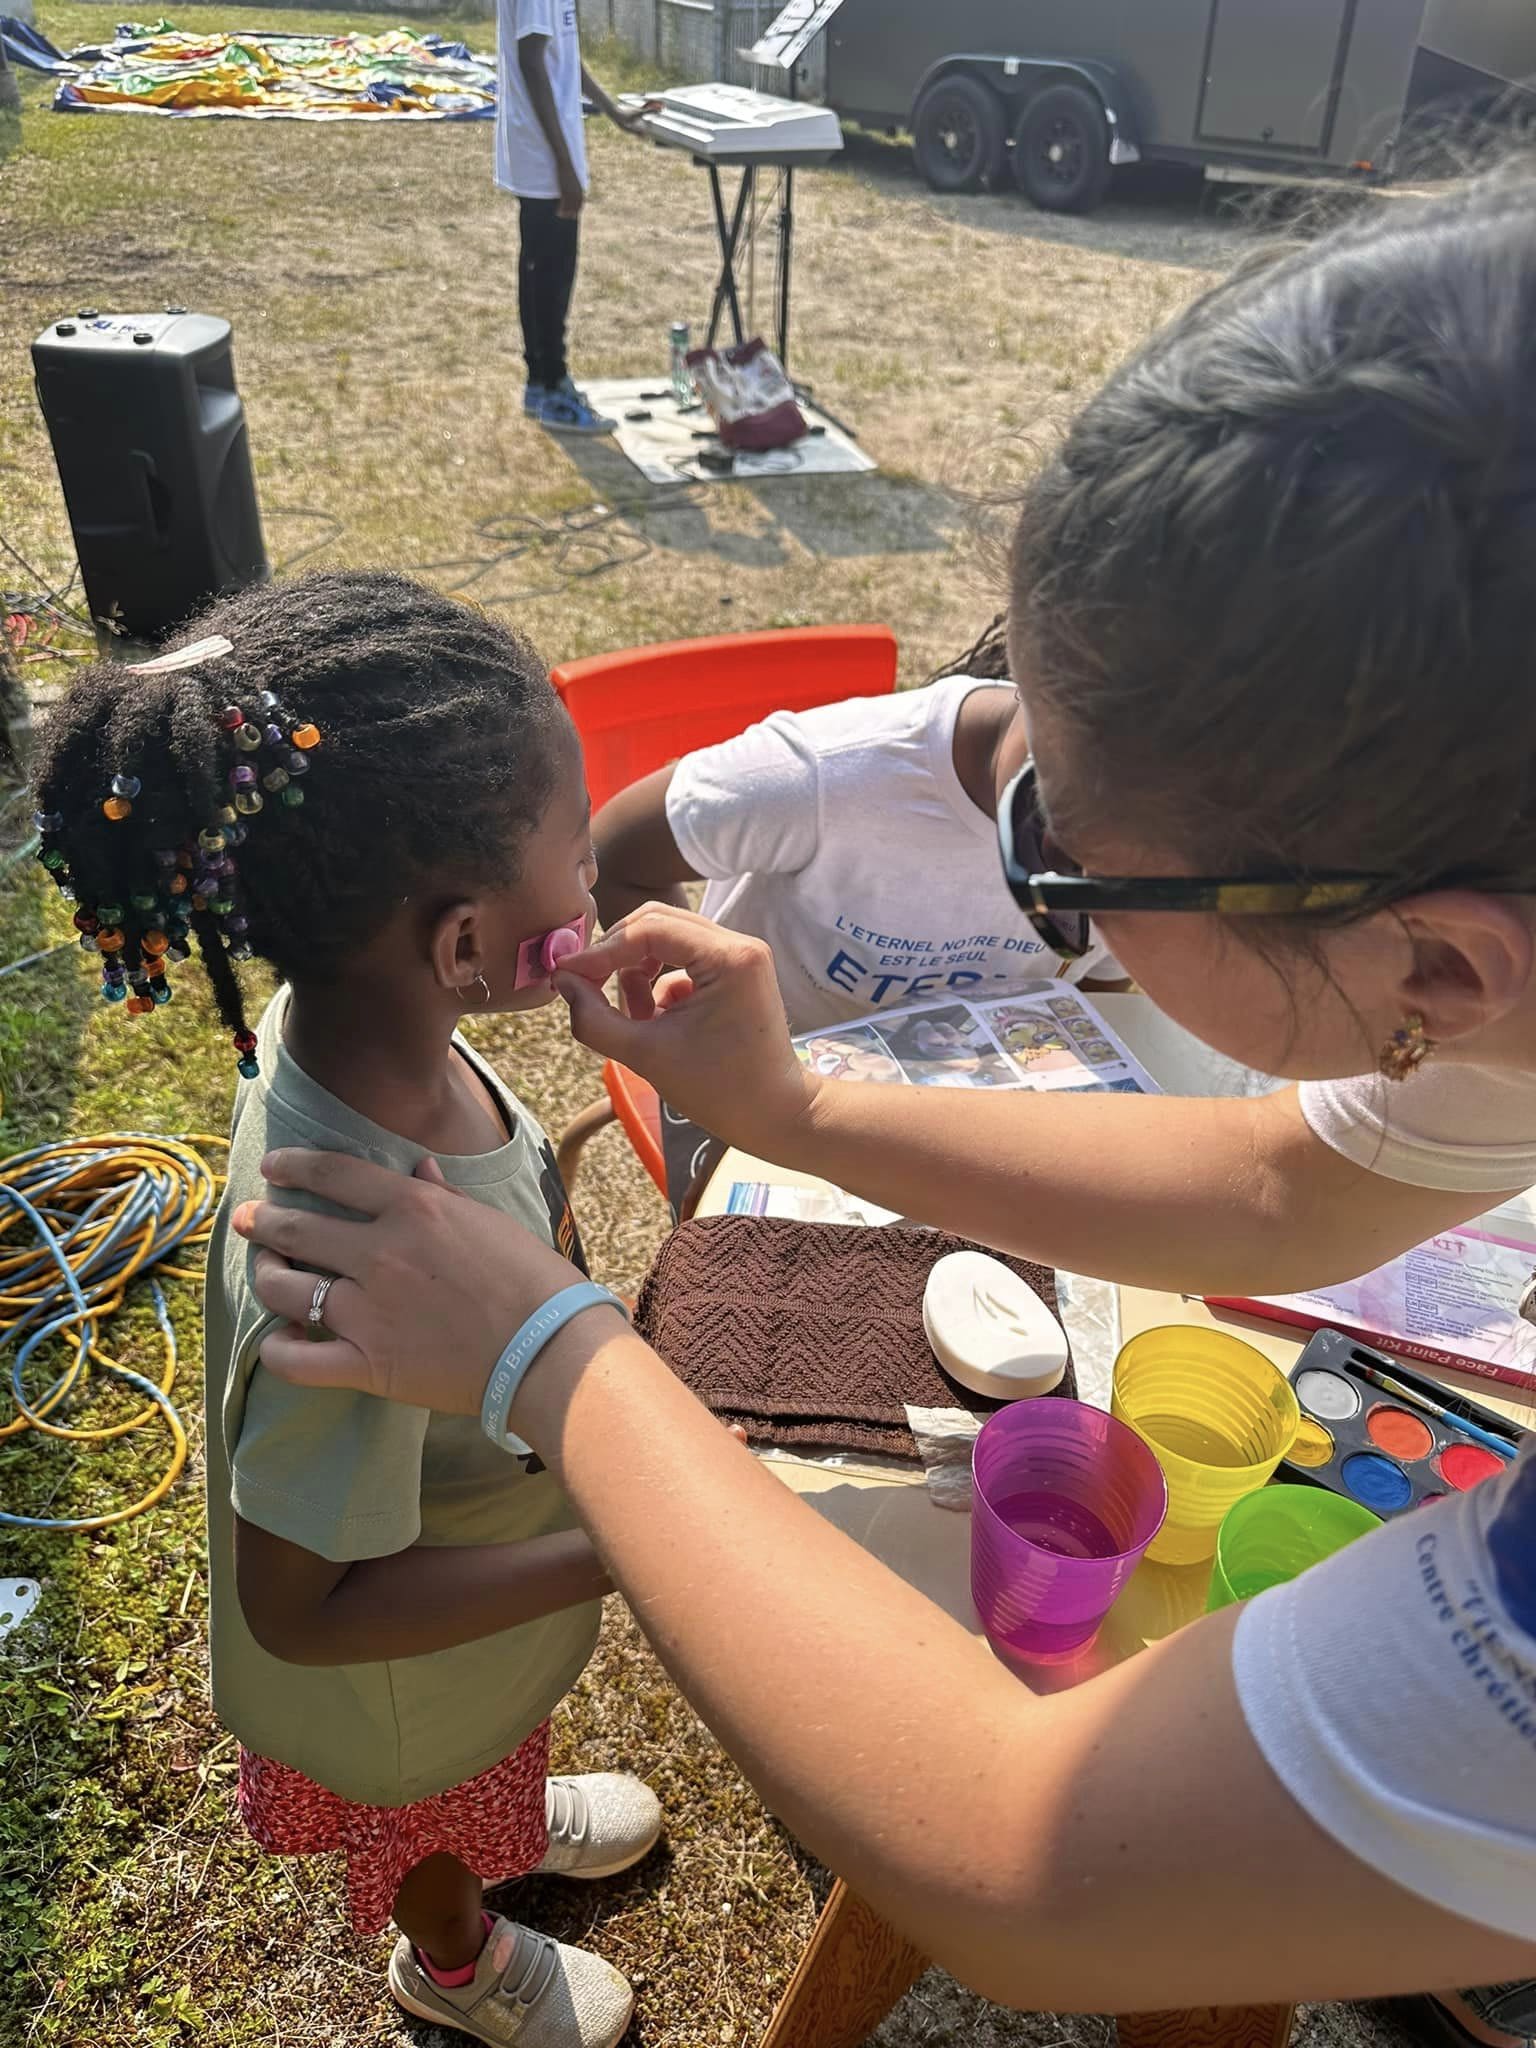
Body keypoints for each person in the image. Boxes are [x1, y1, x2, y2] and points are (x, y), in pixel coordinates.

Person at [230, 173, 1536, 2036]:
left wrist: (556, 1360)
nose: (1028, 886)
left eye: (1058, 855)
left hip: (490, 1649)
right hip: (409, 1702)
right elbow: (1281, 1184)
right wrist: (791, 1108)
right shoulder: (323, 1221)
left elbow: (1035, 1862)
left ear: (1445, 975)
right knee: (441, 1818)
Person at [29, 572, 662, 2048]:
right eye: (578, 846)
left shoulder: (360, 1031)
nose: (596, 873)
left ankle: (505, 1813)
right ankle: (455, 1956)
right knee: (431, 1819)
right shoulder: (346, 1274)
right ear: (461, 946)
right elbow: (300, 1609)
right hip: (400, 1692)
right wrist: (621, 1543)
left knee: (483, 1775)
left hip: (474, 1624)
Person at [592, 671, 1122, 1206]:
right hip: (751, 1094)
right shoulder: (826, 775)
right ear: (1033, 663)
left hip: (970, 1127)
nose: (1082, 861)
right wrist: (691, 1014)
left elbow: (1101, 998)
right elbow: (616, 851)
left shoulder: (1160, 845)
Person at [496, 0, 644, 433]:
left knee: (540, 269)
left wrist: (613, 111)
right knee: (551, 276)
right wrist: (563, 164)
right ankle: (552, 389)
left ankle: (540, 384)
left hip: (545, 150)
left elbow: (561, 56)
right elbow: (531, 61)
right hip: (544, 153)